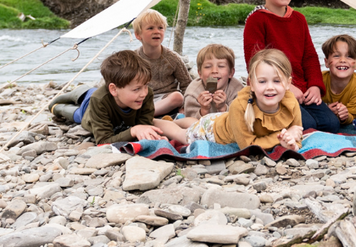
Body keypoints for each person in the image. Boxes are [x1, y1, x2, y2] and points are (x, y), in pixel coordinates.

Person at [243, 0, 339, 133]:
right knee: (306, 125)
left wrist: (315, 86)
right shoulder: (256, 20)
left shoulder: (299, 19)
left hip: (301, 89)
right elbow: (256, 62)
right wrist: (286, 86)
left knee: (331, 123)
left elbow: (309, 56)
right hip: (272, 89)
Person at [48, 50, 189, 145]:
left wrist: (152, 137)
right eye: (137, 89)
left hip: (107, 95)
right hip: (88, 111)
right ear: (114, 89)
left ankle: (79, 92)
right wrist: (133, 131)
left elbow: (144, 125)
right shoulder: (99, 100)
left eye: (146, 85)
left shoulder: (145, 95)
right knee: (76, 112)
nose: (144, 93)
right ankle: (58, 104)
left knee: (93, 93)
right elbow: (103, 141)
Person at [185, 48, 304, 151]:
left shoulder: (290, 102)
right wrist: (281, 137)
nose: (270, 87)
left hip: (225, 118)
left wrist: (292, 145)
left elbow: (297, 135)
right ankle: (173, 123)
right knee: (184, 134)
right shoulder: (239, 106)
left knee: (194, 122)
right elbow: (247, 146)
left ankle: (182, 121)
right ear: (251, 84)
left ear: (288, 83)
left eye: (277, 81)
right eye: (262, 81)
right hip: (212, 130)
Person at [132, 9, 193, 117]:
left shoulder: (172, 58)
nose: (156, 31)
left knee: (177, 97)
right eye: (150, 28)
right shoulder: (133, 58)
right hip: (143, 98)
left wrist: (184, 106)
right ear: (138, 35)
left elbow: (187, 84)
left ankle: (144, 115)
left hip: (167, 99)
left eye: (160, 28)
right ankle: (145, 114)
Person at [182, 44, 244, 119]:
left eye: (221, 66)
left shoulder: (238, 90)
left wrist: (223, 108)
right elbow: (190, 121)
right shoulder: (193, 93)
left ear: (231, 73)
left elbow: (240, 119)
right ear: (200, 73)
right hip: (201, 125)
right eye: (208, 67)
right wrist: (204, 110)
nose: (214, 71)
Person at [320, 34, 356, 127]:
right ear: (326, 62)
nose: (342, 60)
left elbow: (352, 116)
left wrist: (345, 116)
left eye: (349, 56)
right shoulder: (320, 79)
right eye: (337, 56)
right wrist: (325, 110)